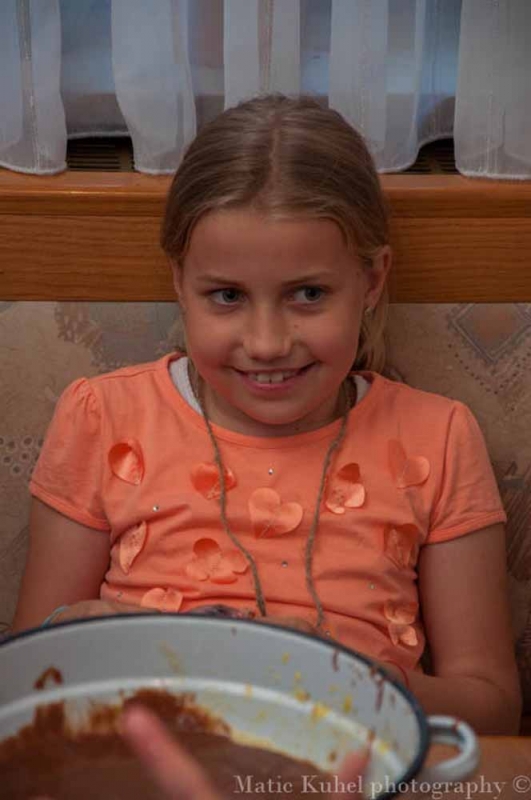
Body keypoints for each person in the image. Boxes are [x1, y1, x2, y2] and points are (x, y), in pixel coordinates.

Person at [11, 94, 521, 734]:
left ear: (372, 281)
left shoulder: (438, 437)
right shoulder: (103, 417)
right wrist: (74, 631)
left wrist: (367, 681)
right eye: (227, 296)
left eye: (308, 294)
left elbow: (494, 708)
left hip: (348, 755)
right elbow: (25, 678)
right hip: (143, 749)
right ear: (180, 282)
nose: (267, 343)